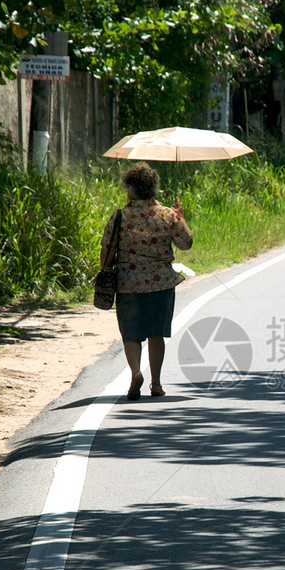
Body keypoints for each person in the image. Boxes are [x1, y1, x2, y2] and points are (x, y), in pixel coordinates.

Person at [99, 163, 193, 400]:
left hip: (128, 283)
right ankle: (156, 384)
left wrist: (106, 269)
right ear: (154, 189)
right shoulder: (168, 215)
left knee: (131, 333)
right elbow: (186, 243)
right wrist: (180, 216)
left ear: (130, 190)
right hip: (161, 284)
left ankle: (136, 372)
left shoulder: (120, 216)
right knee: (156, 334)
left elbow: (106, 250)